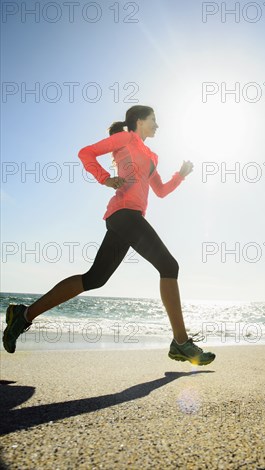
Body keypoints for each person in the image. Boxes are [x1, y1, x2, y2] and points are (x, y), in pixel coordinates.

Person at [2, 105, 216, 366]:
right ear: (139, 120)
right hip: (123, 215)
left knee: (95, 279)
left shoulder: (152, 156)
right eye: (153, 120)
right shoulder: (126, 139)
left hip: (129, 219)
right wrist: (104, 178)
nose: (157, 125)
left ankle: (23, 315)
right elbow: (86, 153)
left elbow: (159, 191)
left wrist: (180, 176)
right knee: (169, 266)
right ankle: (181, 343)